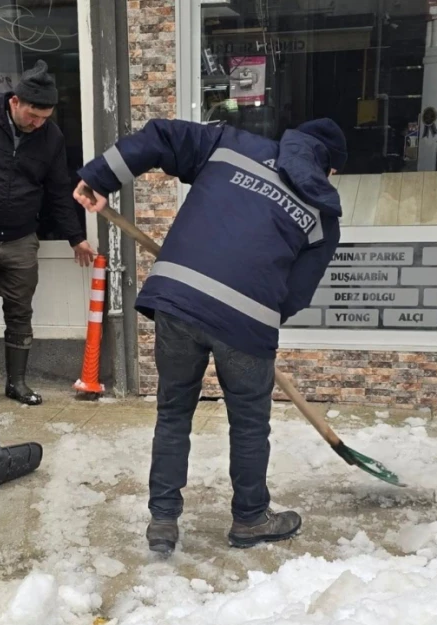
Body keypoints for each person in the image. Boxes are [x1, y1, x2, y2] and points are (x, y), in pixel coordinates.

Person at [74, 117, 347, 552]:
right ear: (329, 169)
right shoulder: (324, 217)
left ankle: (163, 523)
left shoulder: (231, 143)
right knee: (250, 426)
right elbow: (293, 297)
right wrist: (250, 322)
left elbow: (161, 136)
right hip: (246, 322)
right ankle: (250, 519)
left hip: (178, 300)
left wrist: (98, 177)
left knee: (173, 414)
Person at [0, 60, 94, 408]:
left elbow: (59, 189)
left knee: (19, 312)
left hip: (21, 240)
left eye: (45, 117)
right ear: (15, 101)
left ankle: (17, 383)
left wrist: (76, 236)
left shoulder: (51, 137)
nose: (38, 124)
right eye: (33, 115)